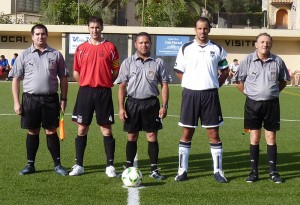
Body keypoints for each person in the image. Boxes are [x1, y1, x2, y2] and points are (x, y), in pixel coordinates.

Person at [173, 17, 229, 183]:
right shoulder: (185, 48)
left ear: (209, 30)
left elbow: (225, 71)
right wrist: (190, 83)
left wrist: (214, 86)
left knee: (213, 133)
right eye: (199, 28)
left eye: (205, 28)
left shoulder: (217, 49)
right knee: (187, 132)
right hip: (190, 95)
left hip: (210, 95)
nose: (202, 31)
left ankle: (218, 171)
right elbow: (178, 71)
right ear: (195, 30)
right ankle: (182, 170)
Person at [8, 24, 68, 176]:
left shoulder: (56, 54)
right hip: (30, 99)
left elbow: (63, 77)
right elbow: (16, 80)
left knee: (51, 131)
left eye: (43, 34)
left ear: (46, 35)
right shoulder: (24, 55)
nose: (40, 37)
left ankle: (58, 165)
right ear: (32, 36)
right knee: (32, 131)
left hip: (50, 99)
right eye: (37, 34)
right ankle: (30, 165)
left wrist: (64, 99)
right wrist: (16, 102)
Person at [233, 33, 290, 183]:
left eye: (268, 42)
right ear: (256, 44)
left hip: (271, 104)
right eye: (262, 42)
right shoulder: (248, 60)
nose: (265, 44)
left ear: (271, 44)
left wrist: (273, 92)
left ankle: (273, 172)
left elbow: (283, 80)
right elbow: (238, 81)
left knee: (271, 137)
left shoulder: (277, 60)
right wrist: (248, 93)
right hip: (252, 105)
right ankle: (254, 172)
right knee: (255, 137)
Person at [69, 16, 120, 177]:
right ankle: (79, 165)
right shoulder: (81, 48)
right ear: (88, 28)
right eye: (92, 27)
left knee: (106, 128)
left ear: (102, 28)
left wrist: (105, 81)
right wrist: (85, 83)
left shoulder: (111, 47)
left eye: (97, 27)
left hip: (103, 92)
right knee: (82, 128)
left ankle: (110, 165)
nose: (94, 30)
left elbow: (116, 69)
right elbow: (76, 72)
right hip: (85, 92)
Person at [116, 32, 169, 180]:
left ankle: (154, 169)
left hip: (151, 103)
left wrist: (164, 106)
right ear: (135, 44)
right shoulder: (128, 62)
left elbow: (164, 85)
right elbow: (121, 87)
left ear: (150, 44)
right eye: (141, 42)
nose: (144, 45)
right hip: (132, 103)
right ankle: (128, 167)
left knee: (152, 136)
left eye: (146, 42)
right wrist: (121, 108)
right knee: (132, 136)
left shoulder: (158, 62)